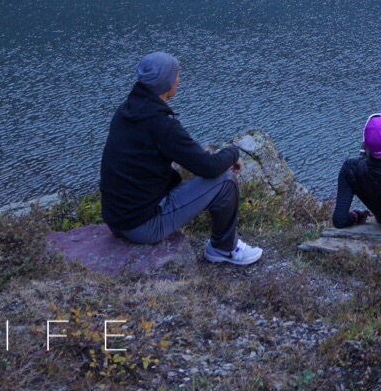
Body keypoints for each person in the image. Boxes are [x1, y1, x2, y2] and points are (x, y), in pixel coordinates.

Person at [98, 51, 263, 266]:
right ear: (167, 84)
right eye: (176, 74)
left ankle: (223, 246)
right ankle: (224, 248)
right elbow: (208, 167)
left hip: (115, 220)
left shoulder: (125, 111)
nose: (179, 79)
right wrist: (233, 153)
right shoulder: (161, 125)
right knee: (225, 178)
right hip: (142, 227)